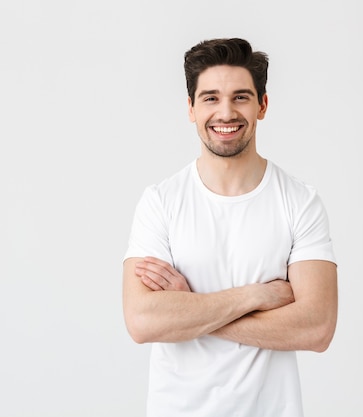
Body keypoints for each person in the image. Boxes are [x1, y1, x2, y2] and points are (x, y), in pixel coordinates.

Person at [122, 37, 338, 417]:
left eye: (240, 97)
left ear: (262, 105)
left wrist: (189, 307)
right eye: (210, 98)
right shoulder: (160, 202)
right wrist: (256, 296)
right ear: (190, 108)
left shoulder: (300, 202)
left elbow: (317, 328)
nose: (225, 113)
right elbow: (142, 321)